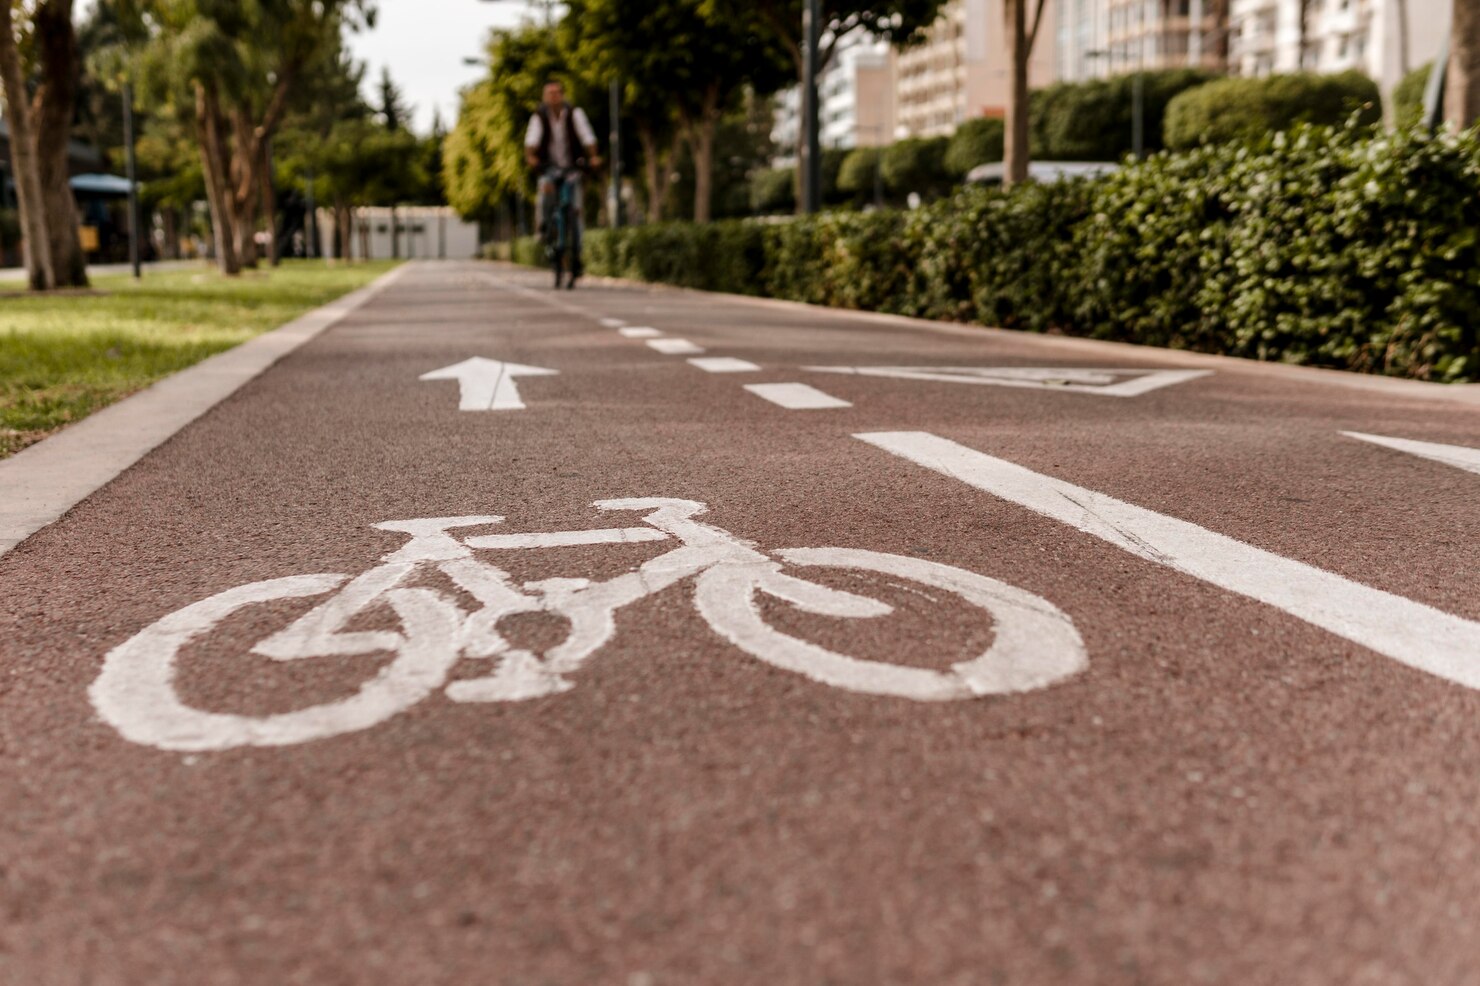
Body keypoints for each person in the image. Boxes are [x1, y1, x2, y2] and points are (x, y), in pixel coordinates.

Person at [525, 79, 601, 285]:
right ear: (544, 97)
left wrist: (593, 157)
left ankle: (577, 252)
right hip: (549, 168)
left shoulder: (575, 113)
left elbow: (588, 137)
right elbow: (531, 143)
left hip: (572, 168)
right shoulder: (539, 116)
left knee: (575, 209)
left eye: (557, 92)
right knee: (545, 193)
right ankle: (543, 228)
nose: (554, 97)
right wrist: (533, 160)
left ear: (563, 94)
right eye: (550, 93)